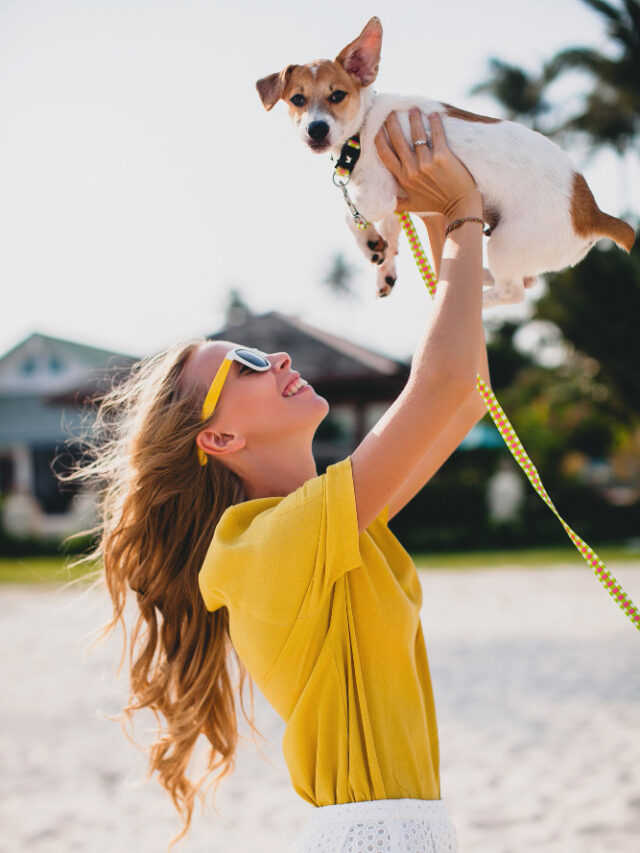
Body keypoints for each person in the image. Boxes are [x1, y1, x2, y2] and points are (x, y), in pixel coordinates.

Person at [68, 110, 491, 852]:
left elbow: (463, 395)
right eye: (250, 367)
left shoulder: (330, 526)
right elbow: (448, 381)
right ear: (220, 437)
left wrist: (435, 218)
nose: (281, 362)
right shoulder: (265, 547)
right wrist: (460, 214)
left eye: (267, 355)